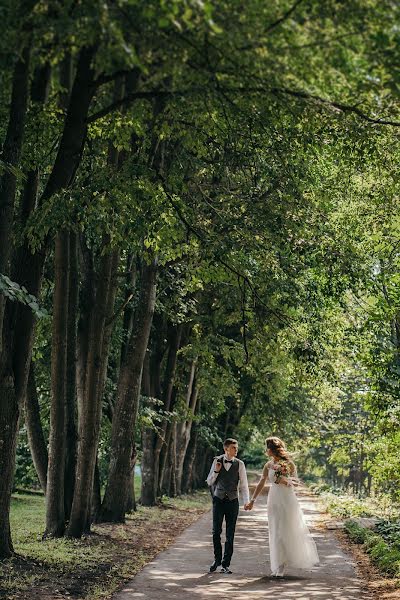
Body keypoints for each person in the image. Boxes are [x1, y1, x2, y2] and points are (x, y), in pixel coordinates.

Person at [245, 436, 319, 578]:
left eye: (267, 448)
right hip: (274, 499)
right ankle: (279, 564)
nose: (265, 450)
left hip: (288, 499)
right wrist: (252, 500)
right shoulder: (268, 465)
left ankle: (284, 563)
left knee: (287, 530)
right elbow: (261, 482)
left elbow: (297, 483)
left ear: (272, 449)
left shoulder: (289, 464)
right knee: (275, 531)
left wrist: (286, 480)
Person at [206, 438, 249, 574]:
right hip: (218, 500)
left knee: (230, 534)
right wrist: (216, 471)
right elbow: (209, 482)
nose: (236, 450)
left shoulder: (240, 464)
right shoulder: (217, 461)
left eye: (236, 448)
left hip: (232, 501)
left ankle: (225, 564)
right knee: (216, 532)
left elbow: (244, 485)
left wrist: (246, 501)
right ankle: (217, 560)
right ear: (226, 449)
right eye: (233, 448)